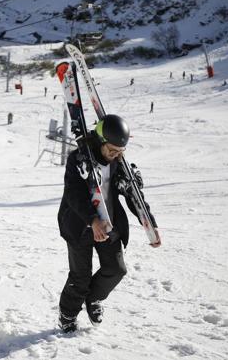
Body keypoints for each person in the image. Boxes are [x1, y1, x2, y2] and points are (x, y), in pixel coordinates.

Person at [57, 114, 158, 333]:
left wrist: (149, 222)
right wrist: (92, 220)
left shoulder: (118, 163)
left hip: (108, 222)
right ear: (101, 142)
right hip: (80, 225)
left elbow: (133, 195)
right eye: (111, 150)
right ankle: (68, 313)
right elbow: (73, 195)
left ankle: (93, 299)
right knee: (80, 277)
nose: (115, 155)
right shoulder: (78, 160)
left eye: (120, 152)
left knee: (116, 270)